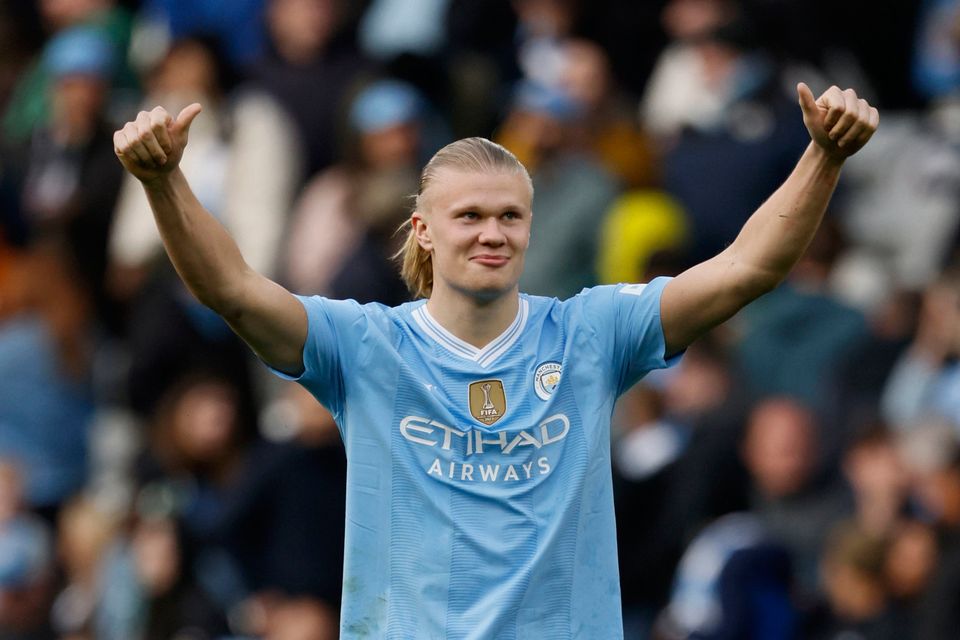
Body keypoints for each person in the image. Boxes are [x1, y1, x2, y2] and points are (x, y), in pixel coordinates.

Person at [112, 81, 878, 637]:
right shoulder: (367, 346)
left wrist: (823, 157)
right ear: (422, 230)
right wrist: (161, 179)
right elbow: (233, 290)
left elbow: (746, 268)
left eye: (510, 215)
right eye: (469, 215)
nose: (492, 232)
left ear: (531, 229)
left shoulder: (592, 334)